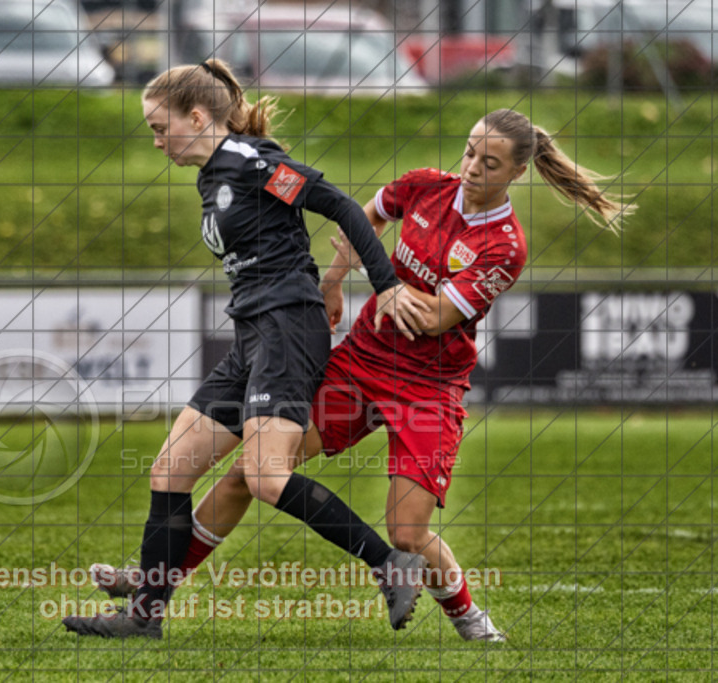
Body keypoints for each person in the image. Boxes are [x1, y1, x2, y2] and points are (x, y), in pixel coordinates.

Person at [89, 108, 634, 641]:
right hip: (360, 363)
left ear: (518, 172)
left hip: (428, 388)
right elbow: (365, 219)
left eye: (489, 163)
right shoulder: (424, 187)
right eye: (470, 151)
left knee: (407, 532)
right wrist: (333, 280)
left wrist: (390, 281)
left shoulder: (505, 246)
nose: (471, 167)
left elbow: (437, 317)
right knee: (253, 475)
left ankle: (468, 617)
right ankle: (153, 587)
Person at [62, 60, 430, 640]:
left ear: (199, 117)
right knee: (170, 470)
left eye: (161, 128)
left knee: (264, 476)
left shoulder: (253, 163)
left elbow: (336, 205)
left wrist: (384, 285)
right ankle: (144, 616)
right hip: (254, 331)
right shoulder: (213, 174)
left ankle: (391, 565)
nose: (157, 141)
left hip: (288, 326)